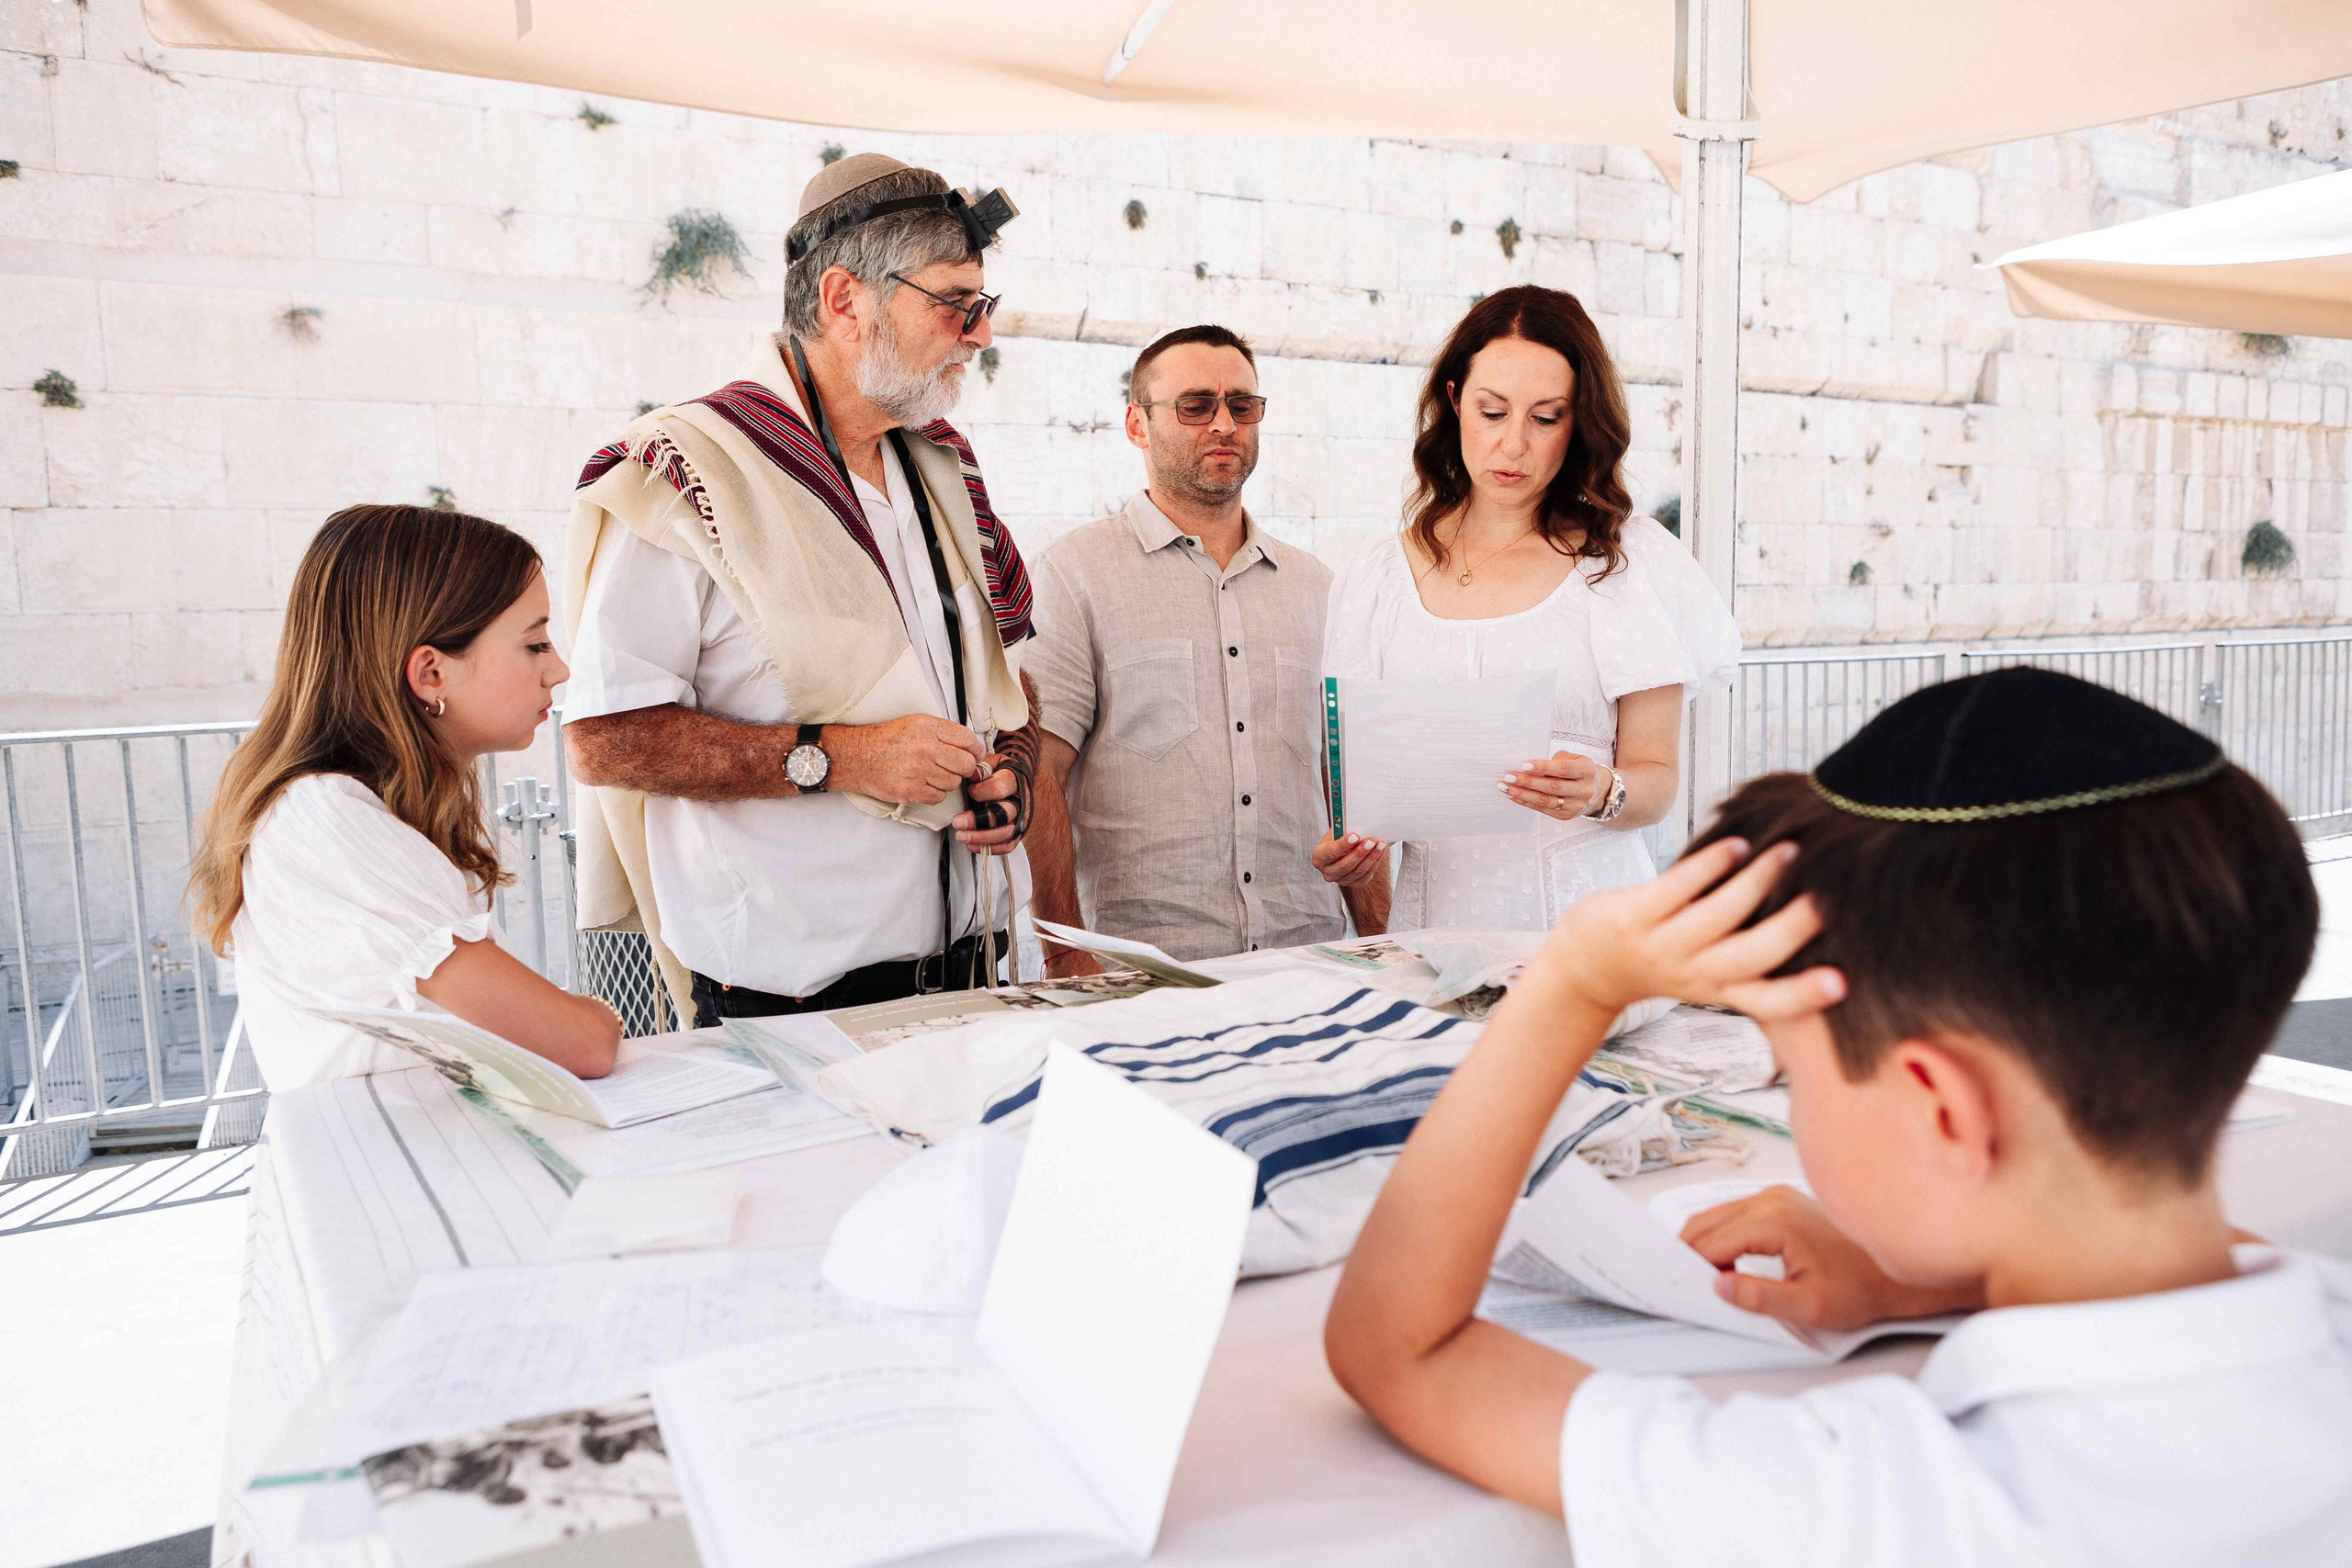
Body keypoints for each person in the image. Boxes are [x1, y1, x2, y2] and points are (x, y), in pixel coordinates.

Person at [1325, 668, 2351, 1565]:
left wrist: (1573, 984)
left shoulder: (1876, 1508)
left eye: (1791, 1069)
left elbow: (1401, 1351)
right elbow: (2187, 1288)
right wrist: (1930, 1277)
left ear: (1942, 1110)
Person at [561, 154, 1046, 1025]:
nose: (977, 334)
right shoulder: (692, 470)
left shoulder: (942, 470)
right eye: (954, 304)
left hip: (978, 982)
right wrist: (842, 758)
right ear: (843, 299)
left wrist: (1012, 770)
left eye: (984, 308)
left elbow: (1007, 683)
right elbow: (606, 740)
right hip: (788, 1015)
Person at [1323, 285, 1739, 931]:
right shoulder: (1375, 577)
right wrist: (1348, 851)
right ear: (1456, 400)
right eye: (1493, 412)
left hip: (1592, 939)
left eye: (1545, 418)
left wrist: (1603, 790)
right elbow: (1360, 790)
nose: (1513, 445)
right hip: (1431, 947)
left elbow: (1656, 778)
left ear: (1578, 424)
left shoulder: (1625, 563)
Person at [189, 505, 620, 1089]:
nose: (559, 669)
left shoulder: (347, 810)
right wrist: (600, 1015)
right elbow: (582, 1044)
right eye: (535, 644)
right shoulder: (326, 818)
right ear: (430, 674)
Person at [1023, 325, 1387, 972]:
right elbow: (1040, 771)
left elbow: (1350, 781)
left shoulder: (1318, 588)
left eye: (1242, 405)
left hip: (1307, 959)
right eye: (1195, 406)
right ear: (1138, 424)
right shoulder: (1074, 573)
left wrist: (1379, 943)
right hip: (1145, 967)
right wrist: (1066, 952)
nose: (1224, 423)